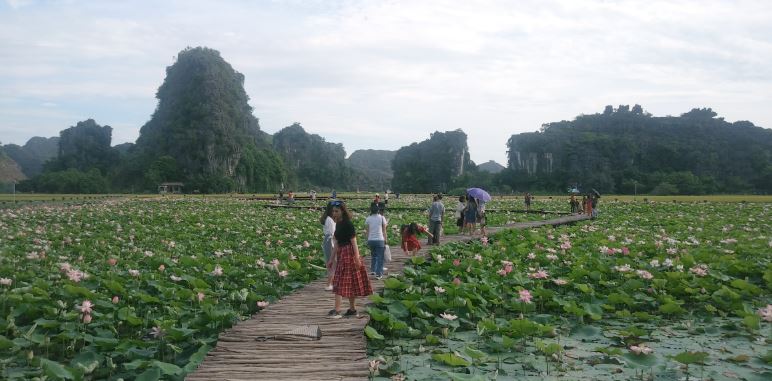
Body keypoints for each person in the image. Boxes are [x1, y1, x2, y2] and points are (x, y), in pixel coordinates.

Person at [328, 200, 372, 318]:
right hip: (342, 253)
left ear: (343, 211)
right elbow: (336, 243)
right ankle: (351, 309)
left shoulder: (348, 224)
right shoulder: (338, 224)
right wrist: (331, 259)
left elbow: (354, 241)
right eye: (333, 211)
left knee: (347, 281)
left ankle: (340, 310)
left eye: (336, 211)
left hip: (349, 254)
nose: (334, 214)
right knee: (344, 281)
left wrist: (357, 258)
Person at [364, 204, 388, 279]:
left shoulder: (368, 218)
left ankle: (373, 270)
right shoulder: (382, 218)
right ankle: (378, 274)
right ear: (378, 210)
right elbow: (384, 230)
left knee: (373, 256)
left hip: (371, 240)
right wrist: (386, 240)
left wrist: (367, 240)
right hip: (380, 240)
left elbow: (367, 231)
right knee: (380, 257)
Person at [319, 202, 336, 290]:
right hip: (330, 241)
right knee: (331, 262)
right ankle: (329, 284)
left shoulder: (328, 218)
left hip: (328, 240)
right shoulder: (329, 219)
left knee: (332, 262)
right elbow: (332, 233)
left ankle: (332, 283)